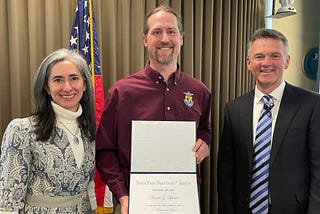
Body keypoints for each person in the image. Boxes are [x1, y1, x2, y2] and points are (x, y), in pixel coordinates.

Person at [95, 5, 211, 214]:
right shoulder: (121, 92)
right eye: (156, 32)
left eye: (171, 31)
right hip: (135, 204)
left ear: (181, 38)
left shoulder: (199, 91)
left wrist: (205, 142)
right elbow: (104, 151)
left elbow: (204, 129)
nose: (165, 38)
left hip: (184, 202)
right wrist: (123, 195)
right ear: (145, 39)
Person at [217, 28, 320, 214]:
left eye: (275, 56)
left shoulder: (311, 105)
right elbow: (226, 170)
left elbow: (318, 169)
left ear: (287, 61)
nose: (266, 63)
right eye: (259, 57)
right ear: (249, 63)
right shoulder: (234, 109)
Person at [0, 49, 97, 213]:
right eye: (58, 80)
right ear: (46, 86)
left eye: (74, 78)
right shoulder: (22, 130)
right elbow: (9, 199)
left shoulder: (89, 130)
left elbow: (88, 185)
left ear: (85, 84)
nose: (67, 87)